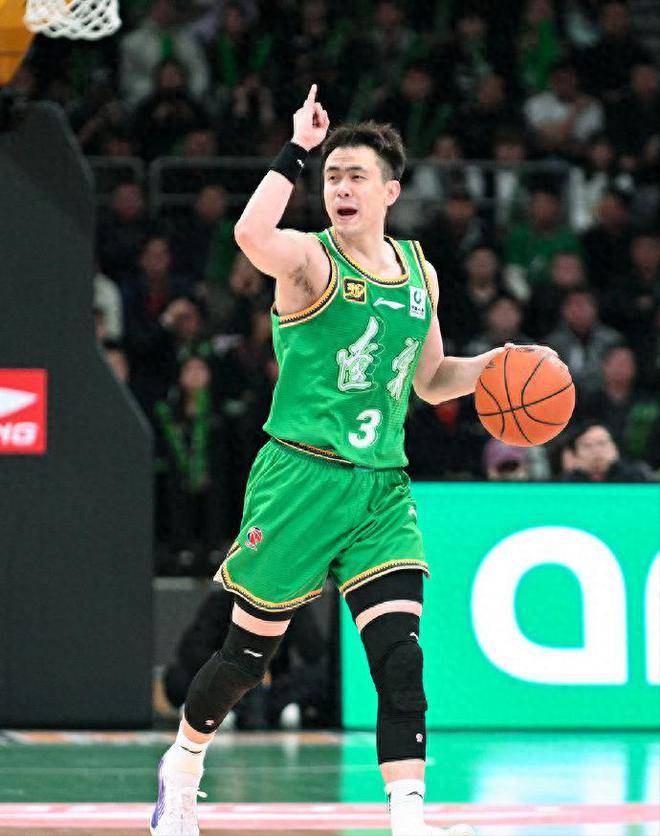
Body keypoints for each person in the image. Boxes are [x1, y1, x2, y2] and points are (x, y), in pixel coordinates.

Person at [150, 84, 552, 836]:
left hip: (380, 490)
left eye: (355, 176)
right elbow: (249, 232)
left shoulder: (420, 273)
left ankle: (409, 818)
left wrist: (499, 365)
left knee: (399, 659)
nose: (340, 187)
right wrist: (297, 148)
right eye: (332, 176)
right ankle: (184, 763)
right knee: (244, 659)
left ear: (390, 191)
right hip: (299, 479)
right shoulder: (308, 260)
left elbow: (431, 379)